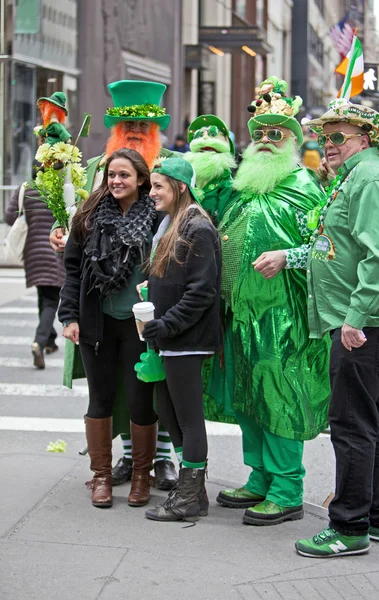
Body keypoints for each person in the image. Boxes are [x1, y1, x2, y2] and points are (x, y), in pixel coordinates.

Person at [295, 98, 379, 557]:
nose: (328, 145)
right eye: (324, 138)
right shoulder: (354, 178)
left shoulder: (370, 178)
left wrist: (354, 317)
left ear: (364, 140)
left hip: (368, 325)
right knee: (372, 419)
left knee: (351, 423)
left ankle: (348, 528)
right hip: (366, 322)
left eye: (338, 137)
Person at [50, 80, 178, 491]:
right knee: (108, 391)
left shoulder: (172, 170)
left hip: (146, 313)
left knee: (151, 385)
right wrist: (59, 230)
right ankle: (118, 463)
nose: (136, 129)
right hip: (98, 310)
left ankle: (160, 461)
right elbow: (74, 229)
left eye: (144, 121)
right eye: (128, 122)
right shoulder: (93, 169)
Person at [213, 77, 331, 526]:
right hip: (240, 314)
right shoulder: (244, 186)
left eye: (275, 134)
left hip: (283, 316)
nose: (264, 141)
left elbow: (328, 247)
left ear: (294, 142)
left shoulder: (304, 186)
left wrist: (288, 256)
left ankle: (287, 490)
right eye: (259, 133)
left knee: (279, 397)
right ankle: (260, 476)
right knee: (248, 397)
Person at [58, 148, 159, 509]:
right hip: (96, 323)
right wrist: (69, 317)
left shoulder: (158, 216)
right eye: (112, 175)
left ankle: (141, 476)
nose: (116, 181)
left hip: (139, 327)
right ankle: (101, 476)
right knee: (99, 399)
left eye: (124, 175)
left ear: (141, 180)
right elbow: (71, 271)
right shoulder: (88, 217)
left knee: (139, 400)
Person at [141, 157, 222, 522]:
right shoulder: (174, 223)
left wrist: (167, 323)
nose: (152, 191)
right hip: (172, 336)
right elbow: (179, 280)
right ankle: (194, 490)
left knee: (188, 418)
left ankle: (189, 496)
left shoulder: (197, 227)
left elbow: (202, 291)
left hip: (187, 337)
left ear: (180, 187)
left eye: (159, 185)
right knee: (167, 408)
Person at [5, 159, 65, 369]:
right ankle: (40, 341)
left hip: (32, 251)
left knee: (44, 294)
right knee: (50, 299)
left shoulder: (27, 189)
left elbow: (10, 217)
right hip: (55, 249)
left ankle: (49, 339)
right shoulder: (61, 190)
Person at [185, 114, 237, 225]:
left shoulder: (225, 181)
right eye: (202, 152)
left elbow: (225, 213)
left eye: (210, 151)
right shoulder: (186, 175)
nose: (205, 138)